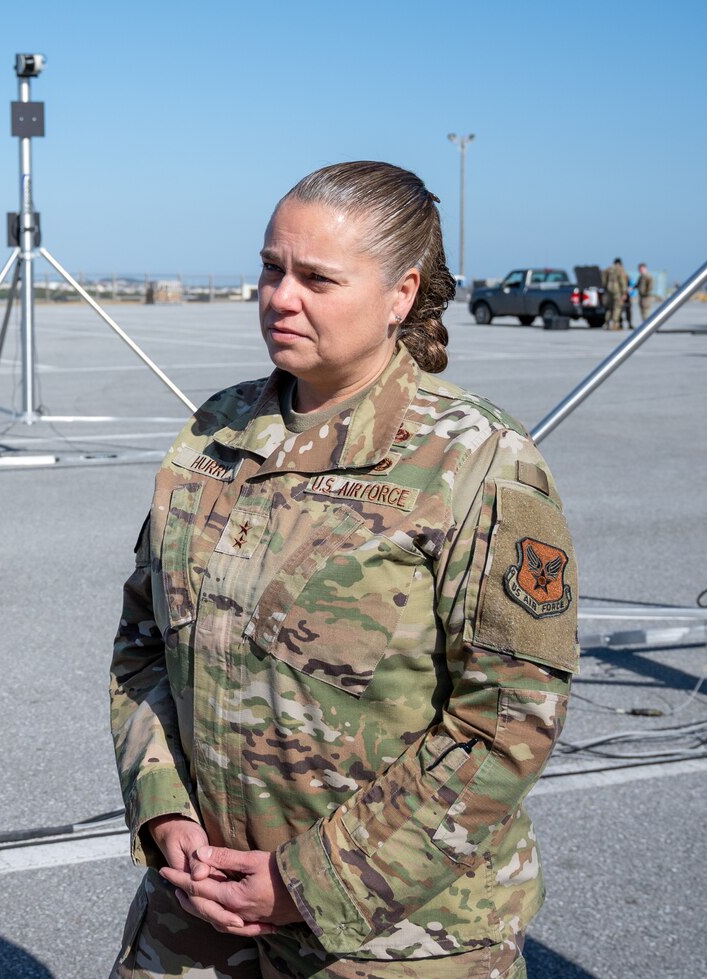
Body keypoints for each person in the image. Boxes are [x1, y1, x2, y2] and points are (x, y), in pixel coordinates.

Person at [110, 162, 576, 979]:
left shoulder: (477, 462)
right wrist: (164, 812)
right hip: (200, 908)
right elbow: (145, 648)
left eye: (318, 278)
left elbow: (505, 723)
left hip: (396, 938)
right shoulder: (213, 436)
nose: (280, 297)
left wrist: (305, 883)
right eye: (270, 267)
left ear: (401, 293)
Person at [603, 257, 630, 330]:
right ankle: (615, 324)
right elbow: (622, 281)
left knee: (609, 308)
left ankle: (607, 323)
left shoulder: (608, 269)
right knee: (617, 307)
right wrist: (624, 292)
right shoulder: (621, 269)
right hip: (617, 290)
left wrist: (605, 288)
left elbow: (604, 280)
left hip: (608, 290)